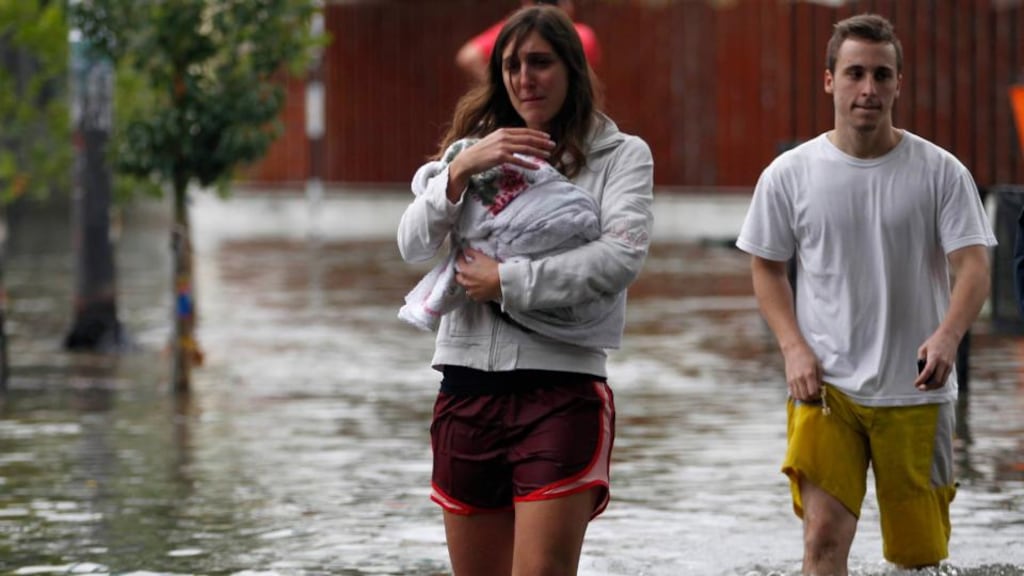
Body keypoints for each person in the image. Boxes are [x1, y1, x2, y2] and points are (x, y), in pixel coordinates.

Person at [735, 13, 995, 574]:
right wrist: (793, 348)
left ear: (899, 83)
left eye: (882, 75)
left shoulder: (941, 172)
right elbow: (767, 268)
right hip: (827, 389)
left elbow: (973, 266)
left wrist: (949, 336)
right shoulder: (789, 174)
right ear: (829, 80)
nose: (868, 89)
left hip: (918, 392)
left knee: (917, 558)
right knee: (823, 538)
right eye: (855, 73)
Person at [397, 5, 653, 575]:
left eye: (540, 62)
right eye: (511, 65)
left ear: (574, 70)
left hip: (560, 390)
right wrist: (460, 173)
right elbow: (412, 245)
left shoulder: (622, 155)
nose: (524, 78)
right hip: (464, 388)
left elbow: (619, 258)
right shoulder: (471, 149)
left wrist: (506, 281)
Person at [455, 0, 601, 84]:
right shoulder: (584, 35)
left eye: (542, 63)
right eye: (513, 66)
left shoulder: (517, 30)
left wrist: (500, 88)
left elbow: (469, 57)